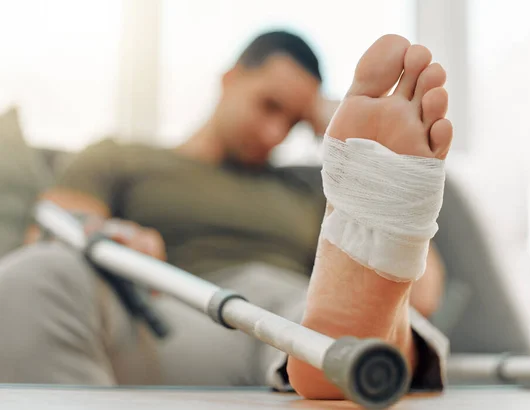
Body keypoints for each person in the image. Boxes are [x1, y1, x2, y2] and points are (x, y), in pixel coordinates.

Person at [0, 31, 452, 399]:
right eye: (270, 105)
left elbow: (426, 290)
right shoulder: (122, 157)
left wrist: (335, 136)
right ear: (231, 78)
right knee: (34, 276)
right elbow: (54, 229)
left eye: (294, 121)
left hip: (289, 311)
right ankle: (345, 352)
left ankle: (343, 343)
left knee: (327, 307)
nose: (275, 132)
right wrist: (116, 237)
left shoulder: (315, 187)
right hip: (170, 320)